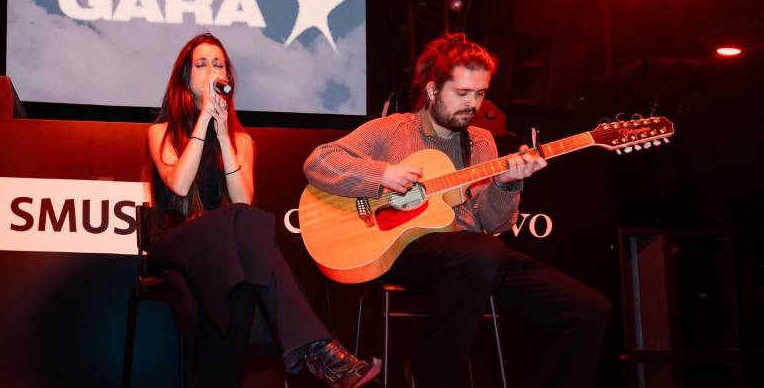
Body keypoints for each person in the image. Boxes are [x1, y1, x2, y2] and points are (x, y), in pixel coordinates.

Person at [303, 33, 611, 388]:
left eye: (480, 94)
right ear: (433, 91)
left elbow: (493, 224)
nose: (473, 104)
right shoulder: (391, 130)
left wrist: (506, 184)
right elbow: (320, 161)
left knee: (588, 310)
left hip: (473, 258)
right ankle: (427, 376)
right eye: (462, 94)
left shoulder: (481, 140)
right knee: (482, 254)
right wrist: (382, 174)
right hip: (403, 249)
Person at [146, 32, 381, 388]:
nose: (212, 71)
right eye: (201, 64)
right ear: (185, 78)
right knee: (242, 233)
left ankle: (295, 355)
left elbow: (243, 202)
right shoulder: (161, 131)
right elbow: (178, 186)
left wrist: (223, 133)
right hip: (177, 241)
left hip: (222, 244)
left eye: (218, 64)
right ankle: (319, 347)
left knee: (242, 265)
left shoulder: (241, 140)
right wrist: (203, 121)